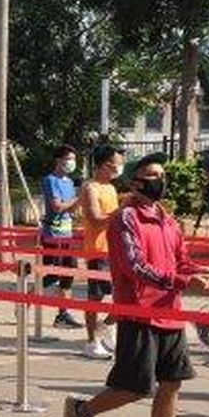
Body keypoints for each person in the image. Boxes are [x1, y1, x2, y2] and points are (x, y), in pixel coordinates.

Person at [61, 154, 206, 417]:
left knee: (172, 384)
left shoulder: (167, 220)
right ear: (136, 182)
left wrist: (201, 273)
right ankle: (81, 411)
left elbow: (180, 261)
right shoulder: (125, 218)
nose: (160, 180)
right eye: (153, 175)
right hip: (139, 313)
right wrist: (183, 282)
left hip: (170, 312)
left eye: (162, 174)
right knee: (135, 388)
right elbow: (134, 266)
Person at [78, 144, 123, 359]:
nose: (118, 168)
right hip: (97, 250)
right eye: (115, 164)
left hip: (115, 249)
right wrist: (122, 211)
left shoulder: (111, 188)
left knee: (123, 297)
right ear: (104, 164)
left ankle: (106, 327)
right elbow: (95, 220)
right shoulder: (90, 188)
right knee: (95, 298)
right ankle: (91, 341)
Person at [41, 144, 82, 329]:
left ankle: (63, 314)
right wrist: (78, 199)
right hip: (52, 235)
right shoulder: (50, 180)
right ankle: (24, 299)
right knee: (51, 277)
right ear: (58, 160)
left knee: (69, 273)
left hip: (68, 234)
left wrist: (77, 202)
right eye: (68, 159)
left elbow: (71, 208)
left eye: (73, 159)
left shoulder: (69, 183)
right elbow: (57, 206)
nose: (71, 163)